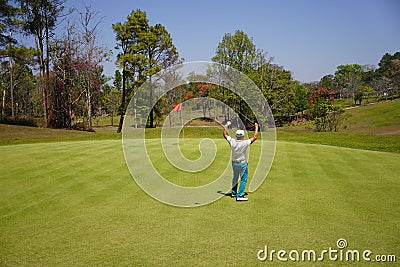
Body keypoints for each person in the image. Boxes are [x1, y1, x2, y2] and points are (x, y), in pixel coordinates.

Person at [223, 123, 258, 201]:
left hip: (234, 163)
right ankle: (240, 195)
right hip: (242, 163)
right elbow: (255, 137)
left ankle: (233, 193)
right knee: (243, 179)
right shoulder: (245, 142)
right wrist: (256, 126)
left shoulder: (232, 141)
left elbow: (225, 134)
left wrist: (226, 126)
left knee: (235, 177)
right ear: (242, 136)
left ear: (236, 136)